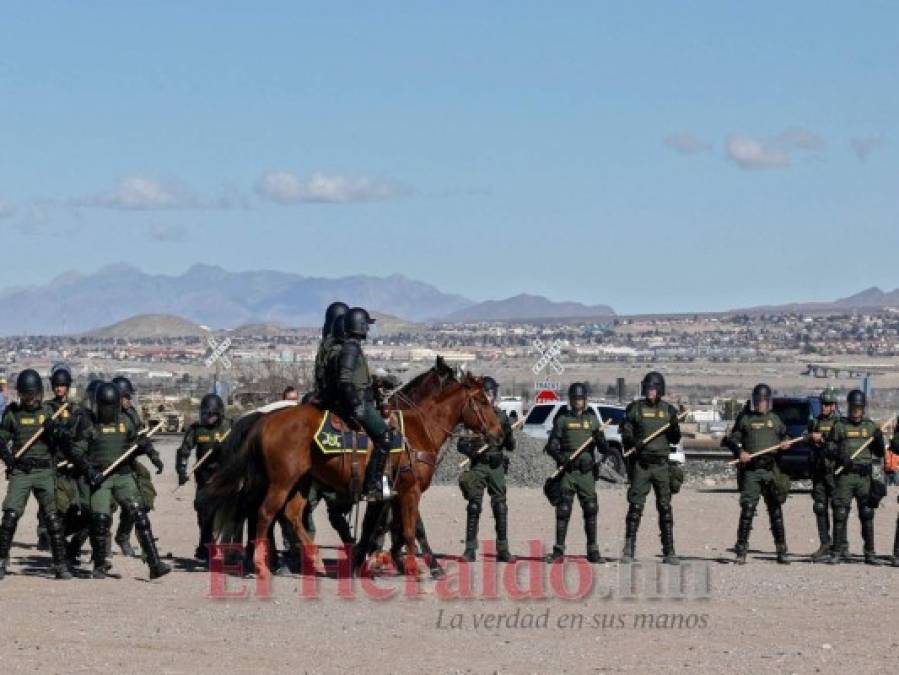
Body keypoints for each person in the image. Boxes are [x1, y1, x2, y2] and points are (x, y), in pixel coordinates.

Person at [72, 382, 170, 579]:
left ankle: (154, 563)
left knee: (139, 513)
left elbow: (139, 441)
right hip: (101, 479)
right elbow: (77, 452)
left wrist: (150, 453)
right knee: (100, 519)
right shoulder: (90, 425)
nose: (107, 412)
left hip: (123, 476)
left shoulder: (126, 422)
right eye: (104, 407)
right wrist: (89, 471)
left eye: (111, 408)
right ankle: (99, 565)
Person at [0, 369, 73, 580]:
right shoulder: (13, 414)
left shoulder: (48, 413)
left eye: (33, 395)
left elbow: (64, 443)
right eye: (26, 395)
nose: (30, 400)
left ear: (39, 393)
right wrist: (8, 458)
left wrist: (54, 430)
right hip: (21, 471)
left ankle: (60, 564)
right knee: (10, 516)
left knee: (52, 518)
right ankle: (2, 560)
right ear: (20, 394)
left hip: (44, 471)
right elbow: (1, 439)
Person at [619, 371, 683, 565]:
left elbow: (675, 439)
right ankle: (629, 549)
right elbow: (625, 430)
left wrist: (674, 427)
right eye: (647, 388)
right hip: (642, 465)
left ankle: (669, 550)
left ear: (660, 390)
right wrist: (633, 440)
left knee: (665, 508)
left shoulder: (669, 411)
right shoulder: (635, 408)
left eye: (653, 388)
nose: (650, 391)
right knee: (635, 507)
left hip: (662, 466)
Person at [725, 383, 792, 564]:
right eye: (758, 401)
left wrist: (786, 443)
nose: (761, 404)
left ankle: (781, 549)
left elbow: (785, 436)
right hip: (752, 472)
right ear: (754, 401)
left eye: (763, 401)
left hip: (770, 470)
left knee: (775, 511)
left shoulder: (775, 420)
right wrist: (740, 452)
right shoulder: (745, 419)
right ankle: (741, 550)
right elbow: (732, 440)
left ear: (768, 402)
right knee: (747, 510)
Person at [330, 307, 393, 501]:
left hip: (360, 398)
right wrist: (357, 405)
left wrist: (377, 383)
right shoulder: (351, 347)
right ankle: (372, 486)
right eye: (367, 325)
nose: (368, 328)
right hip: (359, 403)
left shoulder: (352, 346)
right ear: (361, 326)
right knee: (385, 438)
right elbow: (345, 379)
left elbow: (357, 378)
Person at [543, 382, 609, 564]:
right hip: (568, 473)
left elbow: (604, 448)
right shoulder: (562, 419)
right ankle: (558, 551)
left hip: (586, 473)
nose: (578, 402)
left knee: (590, 509)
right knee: (563, 510)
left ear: (585, 400)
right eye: (575, 399)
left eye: (581, 399)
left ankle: (593, 551)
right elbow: (551, 446)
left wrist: (600, 439)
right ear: (571, 400)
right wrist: (561, 457)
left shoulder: (593, 420)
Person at [457, 376, 516, 562]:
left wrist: (508, 437)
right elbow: (461, 443)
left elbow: (510, 445)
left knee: (500, 507)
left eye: (492, 394)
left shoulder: (501, 417)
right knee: (474, 506)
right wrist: (471, 450)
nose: (490, 397)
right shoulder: (473, 417)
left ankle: (503, 549)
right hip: (479, 465)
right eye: (486, 394)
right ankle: (470, 549)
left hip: (496, 465)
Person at [825, 389, 885, 566]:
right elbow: (829, 447)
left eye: (859, 408)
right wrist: (841, 456)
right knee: (840, 513)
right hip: (845, 476)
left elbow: (880, 453)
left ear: (863, 408)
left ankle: (869, 552)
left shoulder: (870, 426)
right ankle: (837, 551)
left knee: (867, 514)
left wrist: (879, 440)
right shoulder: (840, 426)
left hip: (863, 477)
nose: (856, 411)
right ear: (849, 407)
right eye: (853, 408)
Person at [111, 376, 163, 557]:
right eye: (124, 397)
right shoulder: (106, 414)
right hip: (108, 467)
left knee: (141, 501)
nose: (128, 401)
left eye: (128, 397)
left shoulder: (132, 413)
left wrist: (153, 456)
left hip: (129, 465)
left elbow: (143, 438)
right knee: (102, 510)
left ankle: (123, 536)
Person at [176, 393, 232, 561]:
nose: (208, 418)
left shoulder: (229, 427)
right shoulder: (196, 429)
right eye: (205, 414)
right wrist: (182, 470)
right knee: (203, 511)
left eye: (212, 414)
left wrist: (226, 449)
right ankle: (205, 546)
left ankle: (229, 549)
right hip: (204, 476)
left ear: (220, 413)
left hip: (225, 475)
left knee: (225, 513)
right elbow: (183, 451)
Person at [807, 387, 839, 562]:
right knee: (820, 507)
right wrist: (811, 437)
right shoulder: (815, 421)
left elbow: (841, 445)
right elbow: (805, 437)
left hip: (834, 472)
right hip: (819, 471)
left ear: (833, 405)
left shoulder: (840, 423)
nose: (825, 407)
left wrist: (824, 439)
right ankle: (825, 543)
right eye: (822, 404)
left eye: (827, 404)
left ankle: (840, 545)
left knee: (838, 509)